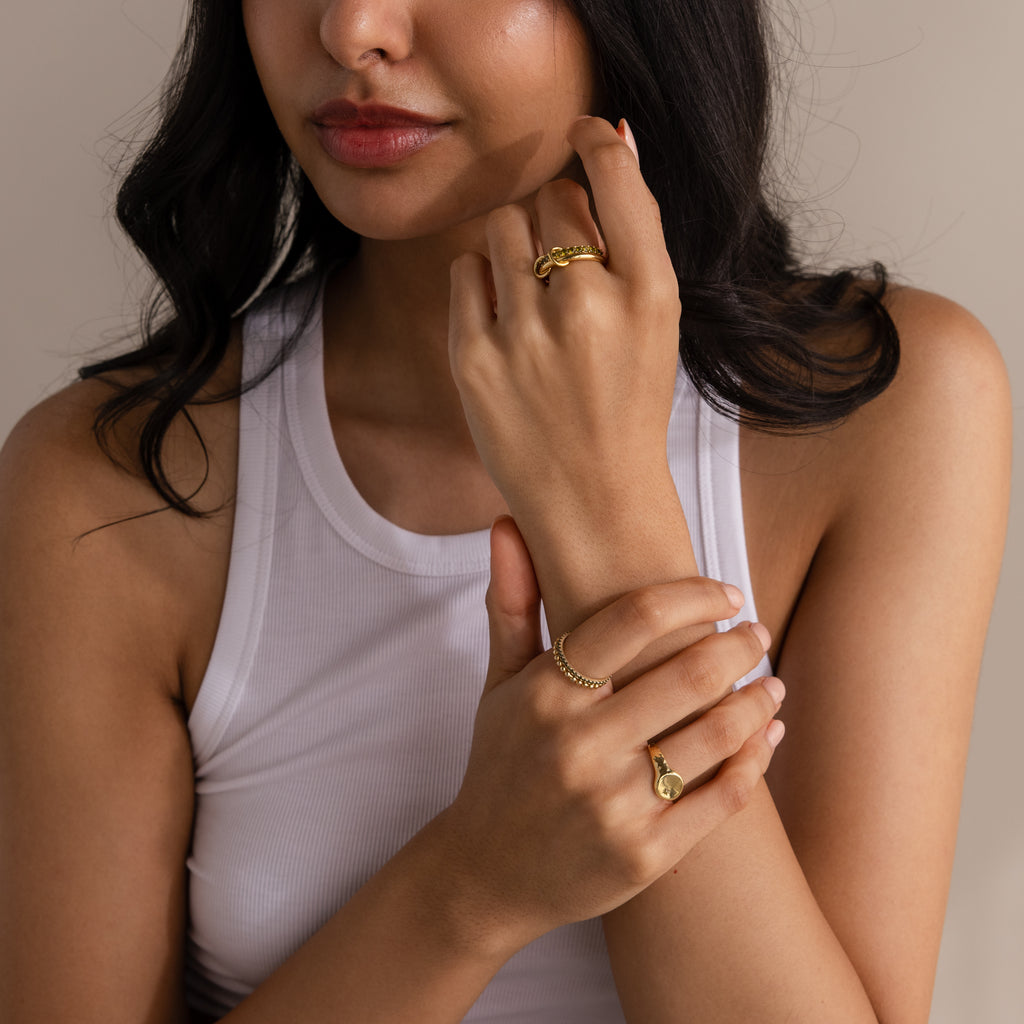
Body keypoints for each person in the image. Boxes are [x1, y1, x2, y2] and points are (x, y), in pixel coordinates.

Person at [0, 0, 1010, 1021]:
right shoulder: (105, 487)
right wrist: (473, 884)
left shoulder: (887, 407)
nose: (351, 30)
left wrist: (605, 512)